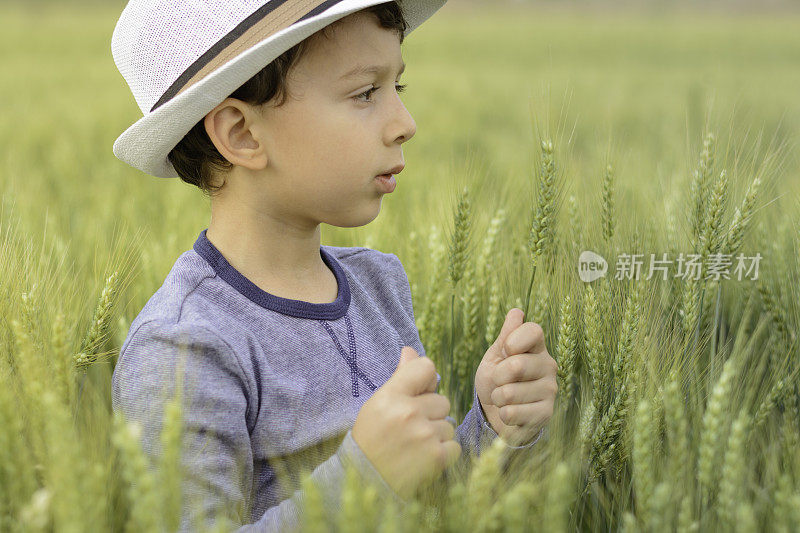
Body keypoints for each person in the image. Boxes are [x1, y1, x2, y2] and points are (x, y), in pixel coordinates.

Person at [109, 0, 553, 530]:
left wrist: (494, 428)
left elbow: (432, 505)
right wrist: (368, 476)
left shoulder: (378, 284)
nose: (405, 123)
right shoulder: (184, 347)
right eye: (366, 92)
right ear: (242, 134)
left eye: (398, 88)